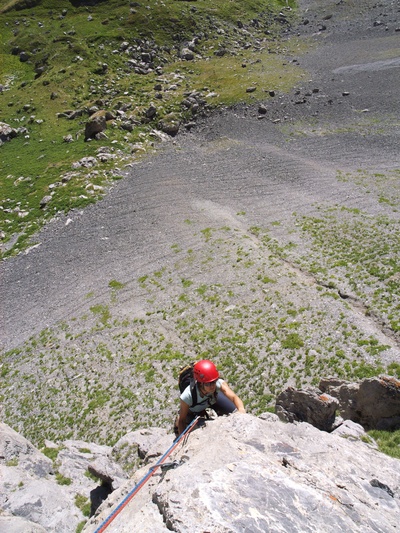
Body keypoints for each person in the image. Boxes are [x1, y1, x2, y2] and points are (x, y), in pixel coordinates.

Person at [175, 359, 246, 436]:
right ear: (200, 384)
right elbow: (182, 420)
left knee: (234, 410)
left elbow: (234, 397)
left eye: (213, 382)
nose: (212, 386)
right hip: (194, 410)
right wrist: (182, 436)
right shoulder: (188, 395)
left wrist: (241, 410)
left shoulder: (218, 383)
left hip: (212, 399)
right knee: (183, 429)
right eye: (208, 384)